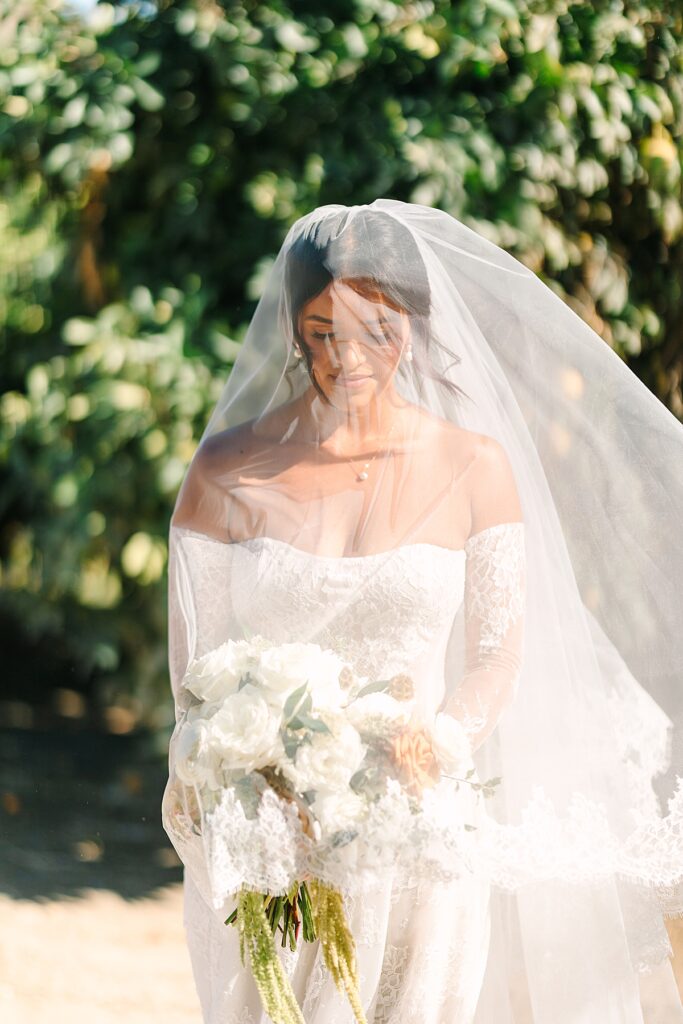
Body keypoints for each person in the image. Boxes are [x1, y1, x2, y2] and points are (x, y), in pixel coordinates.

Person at [163, 200, 683, 1023]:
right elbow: (197, 675)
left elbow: (494, 655)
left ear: (413, 320)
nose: (349, 356)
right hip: (273, 840)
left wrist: (439, 742)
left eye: (377, 328)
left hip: (418, 836)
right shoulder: (227, 472)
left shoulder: (475, 467)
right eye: (323, 328)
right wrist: (246, 769)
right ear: (295, 330)